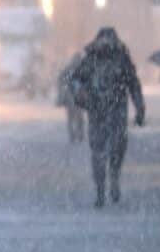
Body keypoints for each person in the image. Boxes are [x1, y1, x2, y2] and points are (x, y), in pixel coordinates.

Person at [71, 27, 145, 208]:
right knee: (109, 150)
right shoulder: (110, 59)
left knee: (104, 152)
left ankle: (105, 185)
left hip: (104, 113)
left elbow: (75, 80)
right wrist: (139, 108)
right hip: (109, 112)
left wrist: (140, 108)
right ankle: (106, 184)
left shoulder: (103, 58)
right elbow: (134, 85)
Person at [56, 53, 85, 143]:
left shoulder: (72, 69)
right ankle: (77, 135)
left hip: (74, 97)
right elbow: (61, 79)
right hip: (74, 97)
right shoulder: (79, 69)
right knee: (76, 117)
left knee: (73, 118)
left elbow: (60, 80)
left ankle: (75, 135)